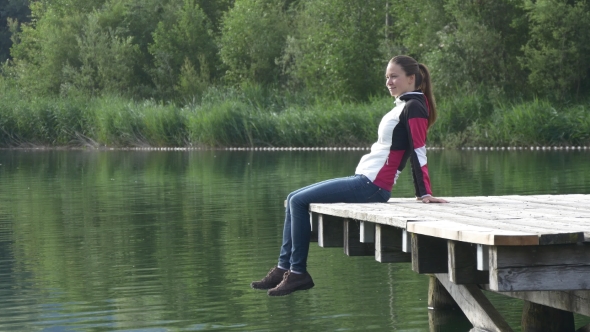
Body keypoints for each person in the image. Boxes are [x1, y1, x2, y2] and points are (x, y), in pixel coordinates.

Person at [251, 55, 449, 296]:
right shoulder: (404, 104)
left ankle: (297, 273)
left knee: (297, 201)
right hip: (366, 179)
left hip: (373, 185)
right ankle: (284, 268)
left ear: (411, 78)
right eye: (387, 77)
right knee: (294, 196)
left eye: (394, 76)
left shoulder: (414, 106)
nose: (389, 81)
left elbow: (418, 149)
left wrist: (424, 192)